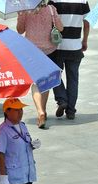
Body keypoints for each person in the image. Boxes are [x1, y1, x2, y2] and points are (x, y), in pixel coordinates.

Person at [17, 0, 64, 129]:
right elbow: (60, 28)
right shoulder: (51, 9)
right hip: (50, 50)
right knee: (46, 83)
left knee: (36, 83)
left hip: (31, 51)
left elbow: (20, 30)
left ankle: (40, 111)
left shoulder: (25, 10)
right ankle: (43, 110)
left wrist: (20, 15)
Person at [49, 0, 90, 120]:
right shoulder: (83, 1)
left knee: (54, 74)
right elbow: (86, 23)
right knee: (73, 78)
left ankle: (62, 99)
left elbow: (50, 20)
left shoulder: (54, 1)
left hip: (58, 45)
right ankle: (71, 110)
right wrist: (85, 40)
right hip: (75, 46)